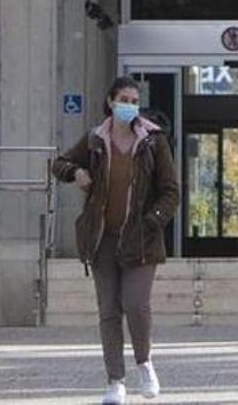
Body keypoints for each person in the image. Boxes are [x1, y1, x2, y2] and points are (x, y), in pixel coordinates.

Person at [52, 76, 180, 405]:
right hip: (102, 239)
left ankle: (144, 363)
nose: (129, 106)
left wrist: (154, 221)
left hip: (141, 239)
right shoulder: (96, 139)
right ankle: (115, 382)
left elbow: (171, 191)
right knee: (109, 310)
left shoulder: (153, 140)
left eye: (134, 100)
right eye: (124, 99)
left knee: (136, 304)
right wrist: (75, 173)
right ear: (110, 101)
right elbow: (59, 163)